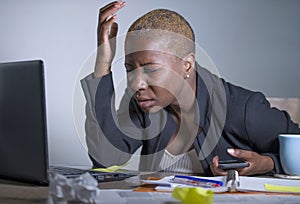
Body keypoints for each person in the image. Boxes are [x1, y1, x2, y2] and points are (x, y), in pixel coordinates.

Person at [81, 1, 300, 176]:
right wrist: (103, 62)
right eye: (130, 70)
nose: (136, 83)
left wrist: (268, 162)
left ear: (187, 65)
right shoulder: (144, 102)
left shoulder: (242, 109)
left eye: (151, 70)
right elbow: (105, 158)